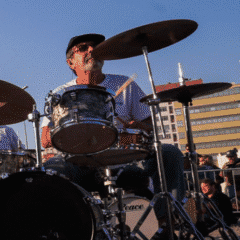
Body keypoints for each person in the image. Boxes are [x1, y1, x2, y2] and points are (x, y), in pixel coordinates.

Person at [41, 34, 185, 201]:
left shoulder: (125, 84)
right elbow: (45, 140)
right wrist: (76, 135)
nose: (91, 50)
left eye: (95, 46)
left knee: (169, 153)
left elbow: (150, 126)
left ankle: (166, 213)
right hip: (79, 161)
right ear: (70, 62)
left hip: (123, 158)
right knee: (51, 170)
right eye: (83, 48)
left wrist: (135, 130)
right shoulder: (61, 93)